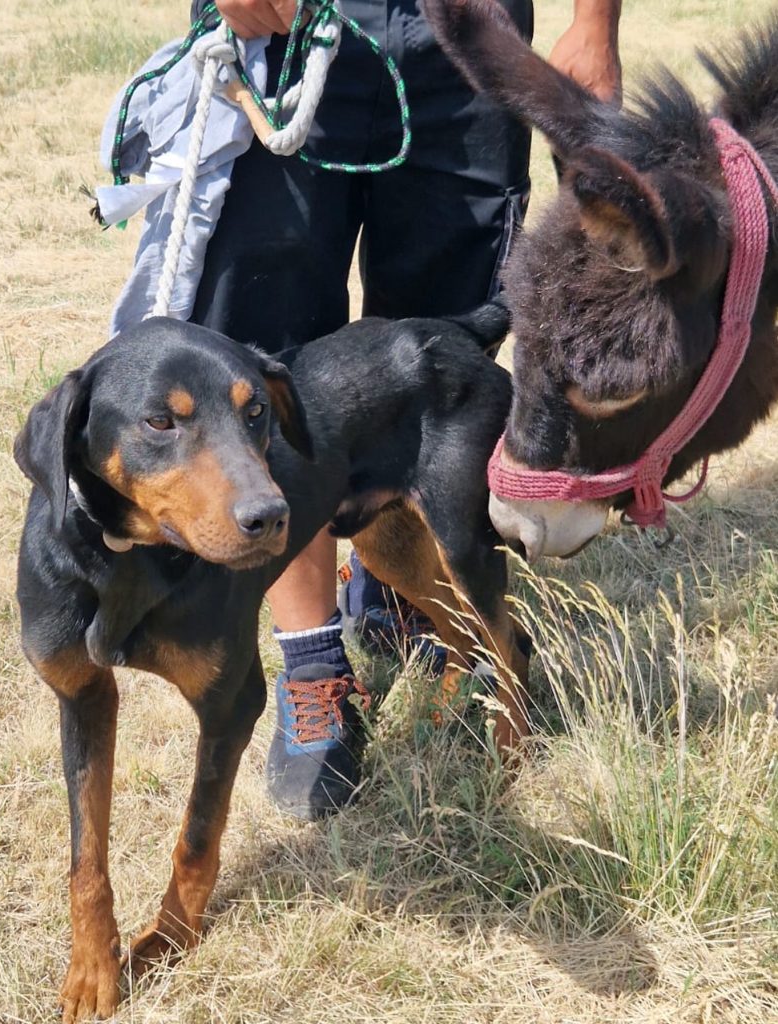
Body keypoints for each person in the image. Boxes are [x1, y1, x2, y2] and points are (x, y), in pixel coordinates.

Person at [188, 0, 622, 819]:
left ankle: (420, 608)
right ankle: (315, 662)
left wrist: (594, 21)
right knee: (258, 365)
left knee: (442, 349)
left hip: (468, 31)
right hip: (288, 23)